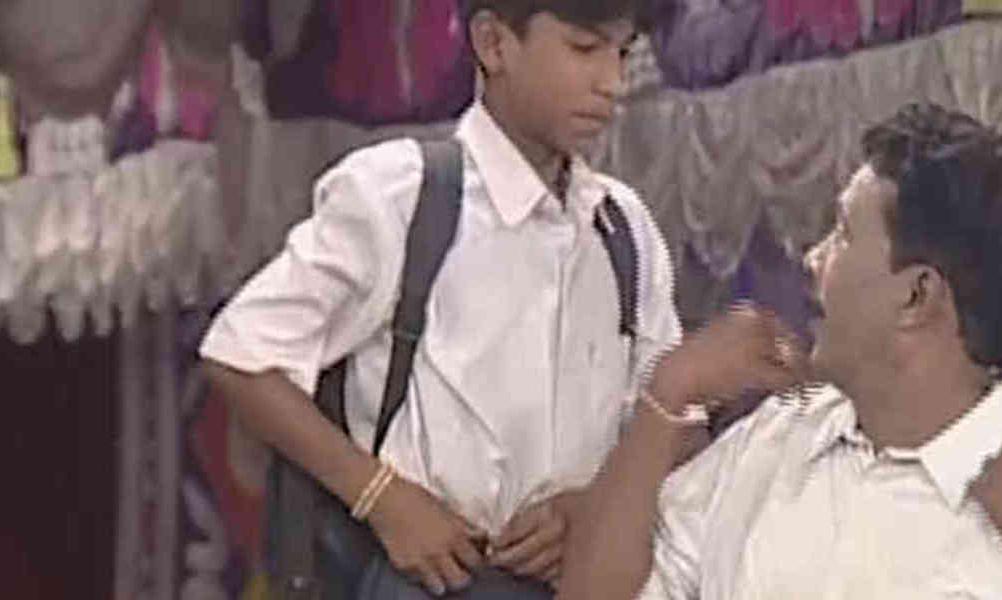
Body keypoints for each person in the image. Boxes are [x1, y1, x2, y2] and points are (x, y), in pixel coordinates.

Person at [561, 103, 1002, 599]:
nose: (812, 258)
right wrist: (669, 393)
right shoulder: (772, 440)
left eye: (841, 233)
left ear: (917, 296)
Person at [199, 0, 677, 597]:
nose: (612, 82)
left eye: (622, 53)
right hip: (427, 579)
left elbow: (673, 419)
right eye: (584, 49)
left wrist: (597, 505)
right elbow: (241, 355)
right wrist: (381, 497)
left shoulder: (622, 226)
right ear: (494, 43)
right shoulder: (400, 194)